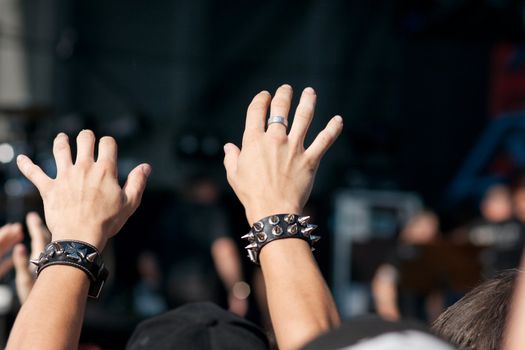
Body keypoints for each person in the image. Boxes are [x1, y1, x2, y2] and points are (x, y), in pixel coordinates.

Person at [5, 84, 343, 350]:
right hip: (205, 291)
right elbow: (224, 250)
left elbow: (150, 260)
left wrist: (69, 247)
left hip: (173, 293)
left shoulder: (173, 212)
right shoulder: (208, 214)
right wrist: (277, 211)